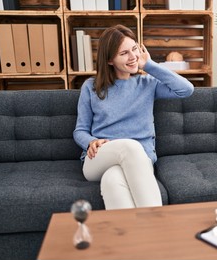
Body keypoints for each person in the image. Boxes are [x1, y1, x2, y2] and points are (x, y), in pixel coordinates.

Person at [73, 25, 194, 210]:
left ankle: (134, 237)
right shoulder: (91, 87)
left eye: (135, 49)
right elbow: (80, 130)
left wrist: (149, 65)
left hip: (139, 160)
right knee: (130, 145)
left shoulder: (147, 84)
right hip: (98, 158)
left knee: (112, 180)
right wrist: (90, 142)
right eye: (124, 53)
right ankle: (159, 221)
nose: (133, 57)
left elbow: (186, 89)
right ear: (110, 60)